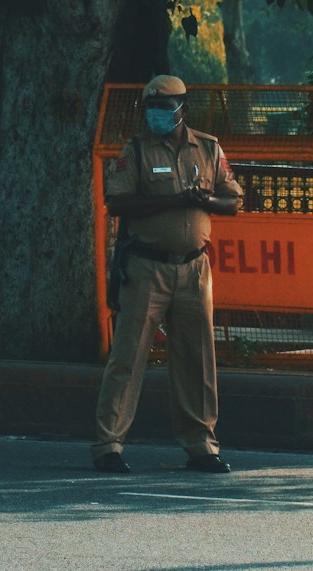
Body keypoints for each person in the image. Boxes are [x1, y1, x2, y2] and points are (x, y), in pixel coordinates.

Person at [92, 74, 243, 474]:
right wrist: (175, 200)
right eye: (152, 107)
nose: (157, 113)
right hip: (146, 268)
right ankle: (109, 444)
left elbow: (232, 200)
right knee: (127, 357)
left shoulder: (208, 148)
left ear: (182, 108)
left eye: (165, 107)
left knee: (197, 361)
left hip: (195, 268)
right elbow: (119, 202)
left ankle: (202, 446)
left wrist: (204, 199)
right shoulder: (137, 151)